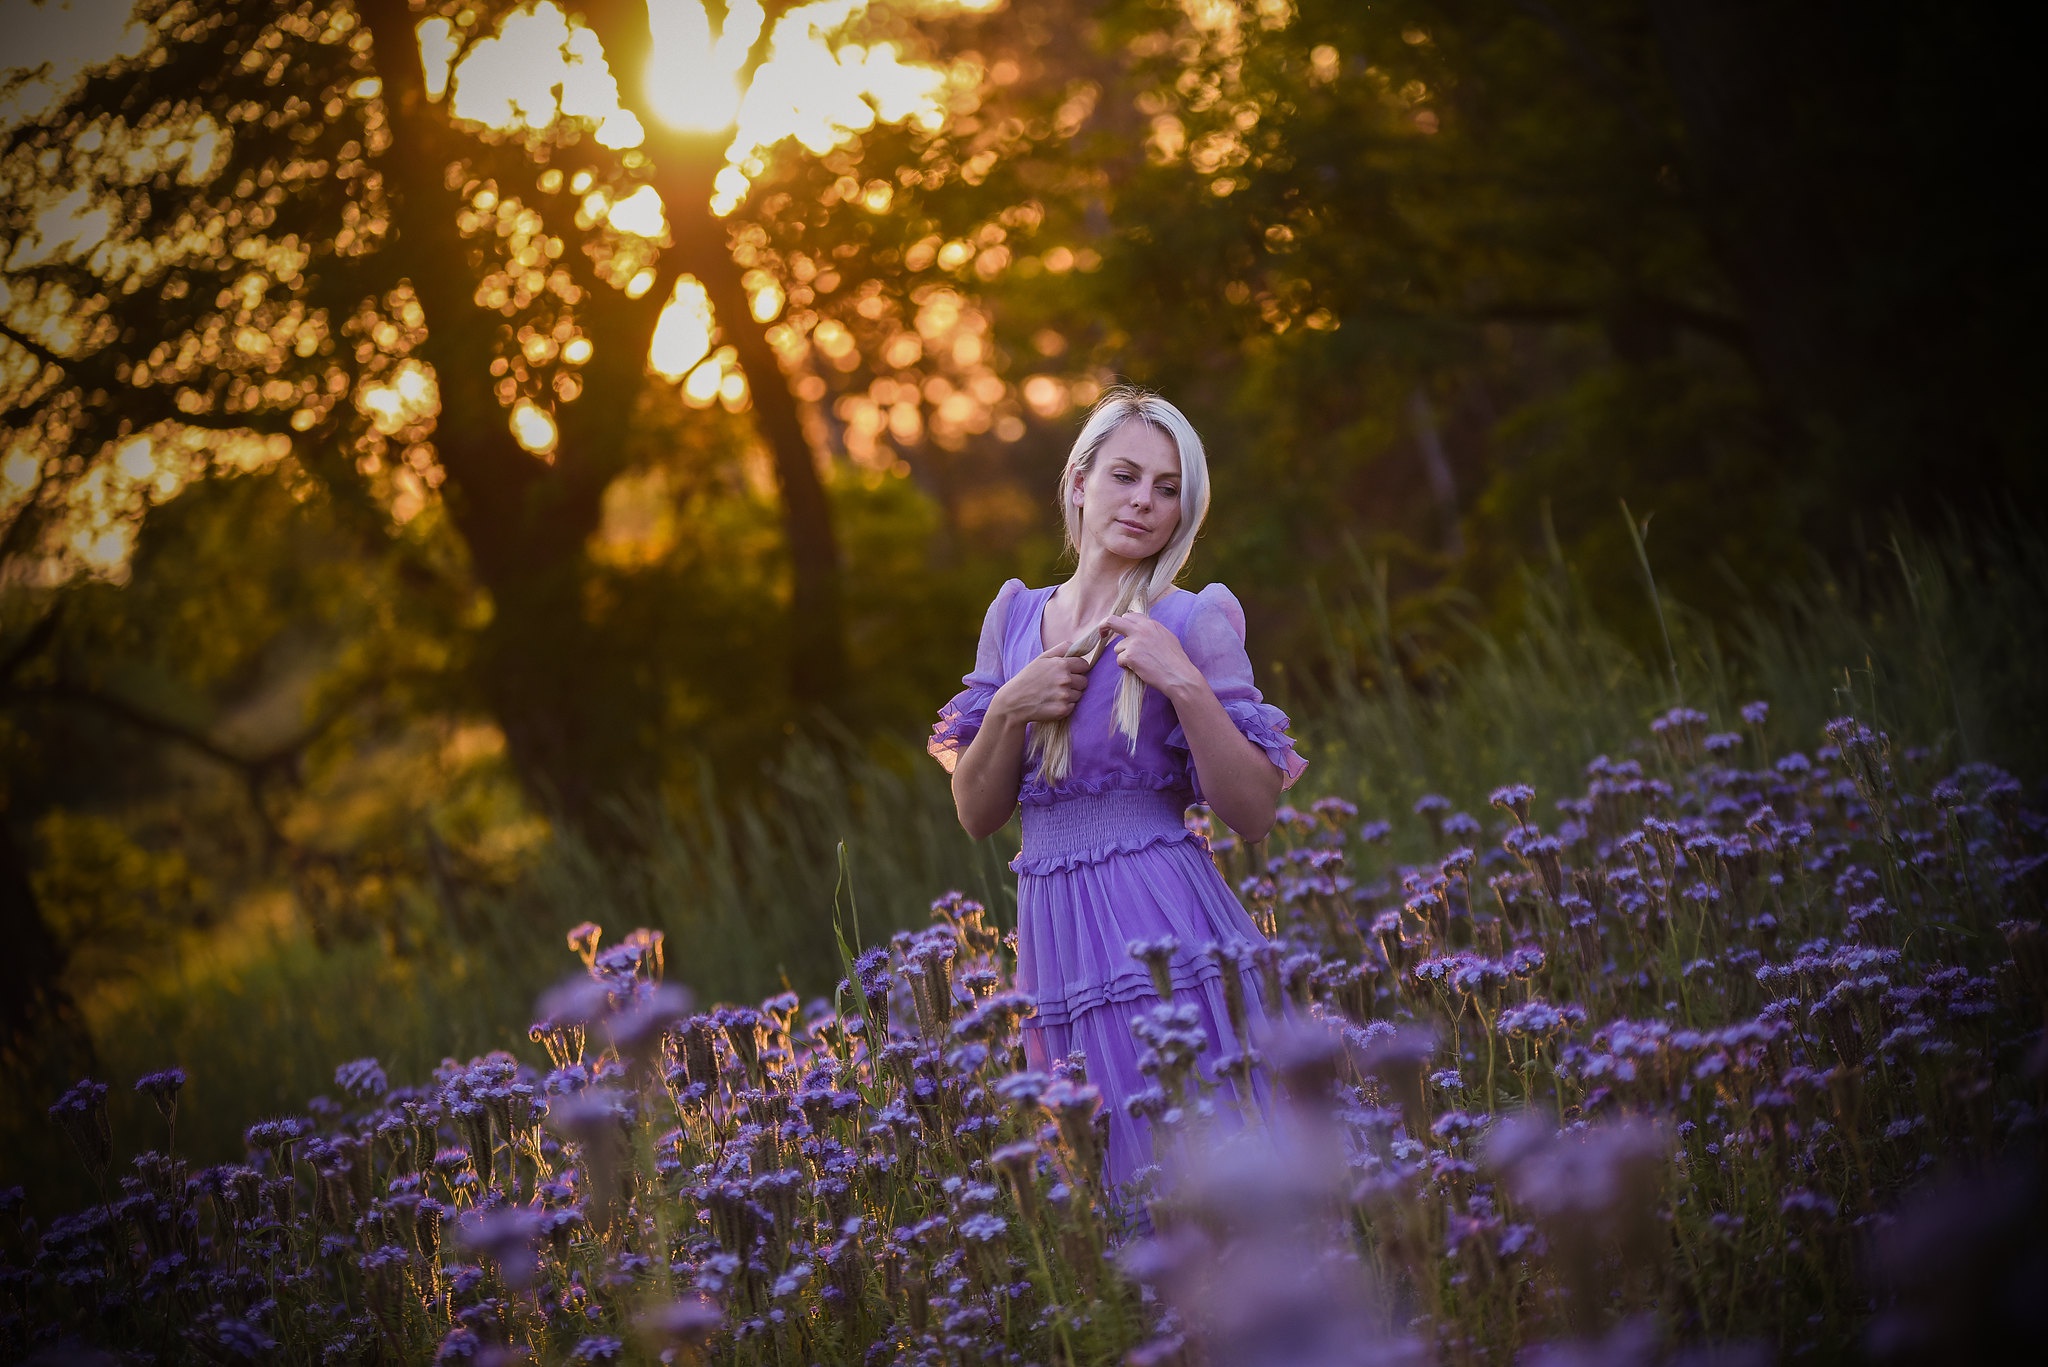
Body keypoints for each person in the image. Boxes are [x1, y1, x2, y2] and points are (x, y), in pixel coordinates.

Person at [927, 386, 1307, 1195]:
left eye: (1168, 487)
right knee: (1107, 1192)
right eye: (1126, 475)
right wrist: (1006, 709)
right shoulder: (1014, 616)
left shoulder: (1194, 617)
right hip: (1054, 938)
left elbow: (1254, 813)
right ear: (1078, 482)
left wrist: (1186, 685)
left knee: (1199, 1178)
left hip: (1163, 936)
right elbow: (976, 813)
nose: (1144, 500)